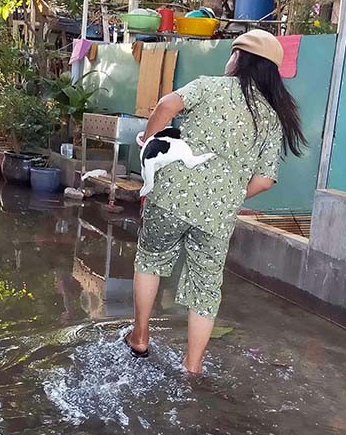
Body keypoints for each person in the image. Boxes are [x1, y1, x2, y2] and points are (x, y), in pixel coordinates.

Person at [124, 29, 306, 373]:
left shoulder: (209, 86)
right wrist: (230, 194)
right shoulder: (270, 116)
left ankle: (141, 337)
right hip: (217, 215)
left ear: (238, 58)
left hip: (170, 198)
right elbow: (265, 180)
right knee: (206, 289)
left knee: (150, 261)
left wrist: (149, 139)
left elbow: (166, 105)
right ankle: (192, 367)